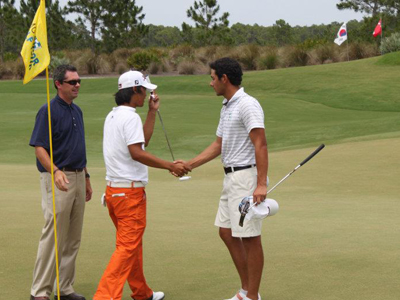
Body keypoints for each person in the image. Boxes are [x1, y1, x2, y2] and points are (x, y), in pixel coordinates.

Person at [94, 70, 190, 300]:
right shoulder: (129, 117)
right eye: (144, 90)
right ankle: (104, 297)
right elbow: (137, 153)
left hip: (114, 193)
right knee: (127, 249)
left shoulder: (114, 115)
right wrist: (170, 166)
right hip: (129, 194)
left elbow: (142, 142)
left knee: (131, 246)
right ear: (134, 90)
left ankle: (142, 292)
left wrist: (151, 113)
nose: (146, 94)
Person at [185, 57, 268, 300]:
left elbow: (260, 144)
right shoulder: (227, 105)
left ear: (224, 78)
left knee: (250, 237)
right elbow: (219, 145)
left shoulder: (248, 104)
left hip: (245, 178)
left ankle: (252, 296)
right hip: (230, 178)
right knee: (226, 232)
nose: (210, 83)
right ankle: (245, 289)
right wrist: (190, 164)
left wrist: (261, 183)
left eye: (212, 78)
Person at [29, 64, 93, 300]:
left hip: (77, 175)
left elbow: (80, 148)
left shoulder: (77, 111)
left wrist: (86, 178)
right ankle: (40, 291)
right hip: (57, 176)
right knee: (54, 234)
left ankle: (64, 288)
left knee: (73, 237)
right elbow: (39, 148)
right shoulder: (47, 110)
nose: (77, 85)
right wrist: (55, 171)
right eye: (72, 82)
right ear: (58, 84)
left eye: (79, 81)